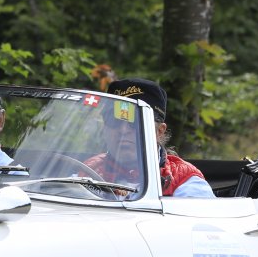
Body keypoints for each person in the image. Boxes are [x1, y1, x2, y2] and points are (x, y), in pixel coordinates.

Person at [85, 77, 215, 198]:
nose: (123, 130)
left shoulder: (186, 184)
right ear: (105, 127)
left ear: (159, 131)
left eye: (136, 121)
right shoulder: (86, 170)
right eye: (114, 120)